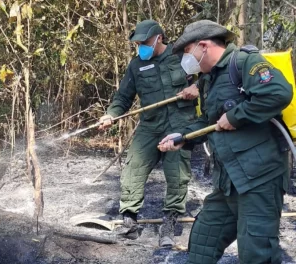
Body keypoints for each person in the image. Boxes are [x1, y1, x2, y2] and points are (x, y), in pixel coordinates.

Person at [158, 20, 293, 263]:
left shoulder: (244, 62)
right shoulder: (208, 79)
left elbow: (278, 92)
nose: (184, 60)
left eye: (187, 52)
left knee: (256, 254)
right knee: (202, 242)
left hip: (259, 180)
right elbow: (210, 121)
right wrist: (183, 137)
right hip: (229, 181)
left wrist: (236, 116)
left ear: (203, 46)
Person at [99, 20, 199, 246]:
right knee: (133, 166)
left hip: (179, 124)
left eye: (144, 42)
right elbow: (123, 97)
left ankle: (170, 223)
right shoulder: (136, 65)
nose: (140, 47)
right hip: (150, 125)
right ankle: (130, 223)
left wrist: (197, 87)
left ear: (159, 38)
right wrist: (110, 114)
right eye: (138, 43)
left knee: (176, 174)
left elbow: (211, 76)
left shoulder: (183, 56)